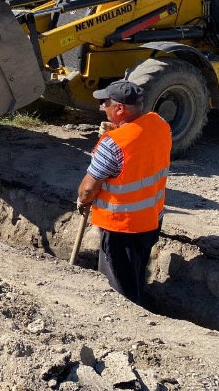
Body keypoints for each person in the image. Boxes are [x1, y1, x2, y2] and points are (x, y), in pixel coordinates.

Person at [76, 80, 172, 303]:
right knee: (135, 274)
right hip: (151, 219)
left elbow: (88, 188)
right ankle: (140, 305)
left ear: (119, 109)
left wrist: (82, 201)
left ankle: (128, 326)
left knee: (119, 289)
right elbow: (140, 151)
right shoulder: (160, 125)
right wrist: (121, 128)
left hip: (121, 227)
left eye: (105, 103)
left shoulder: (113, 144)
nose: (102, 107)